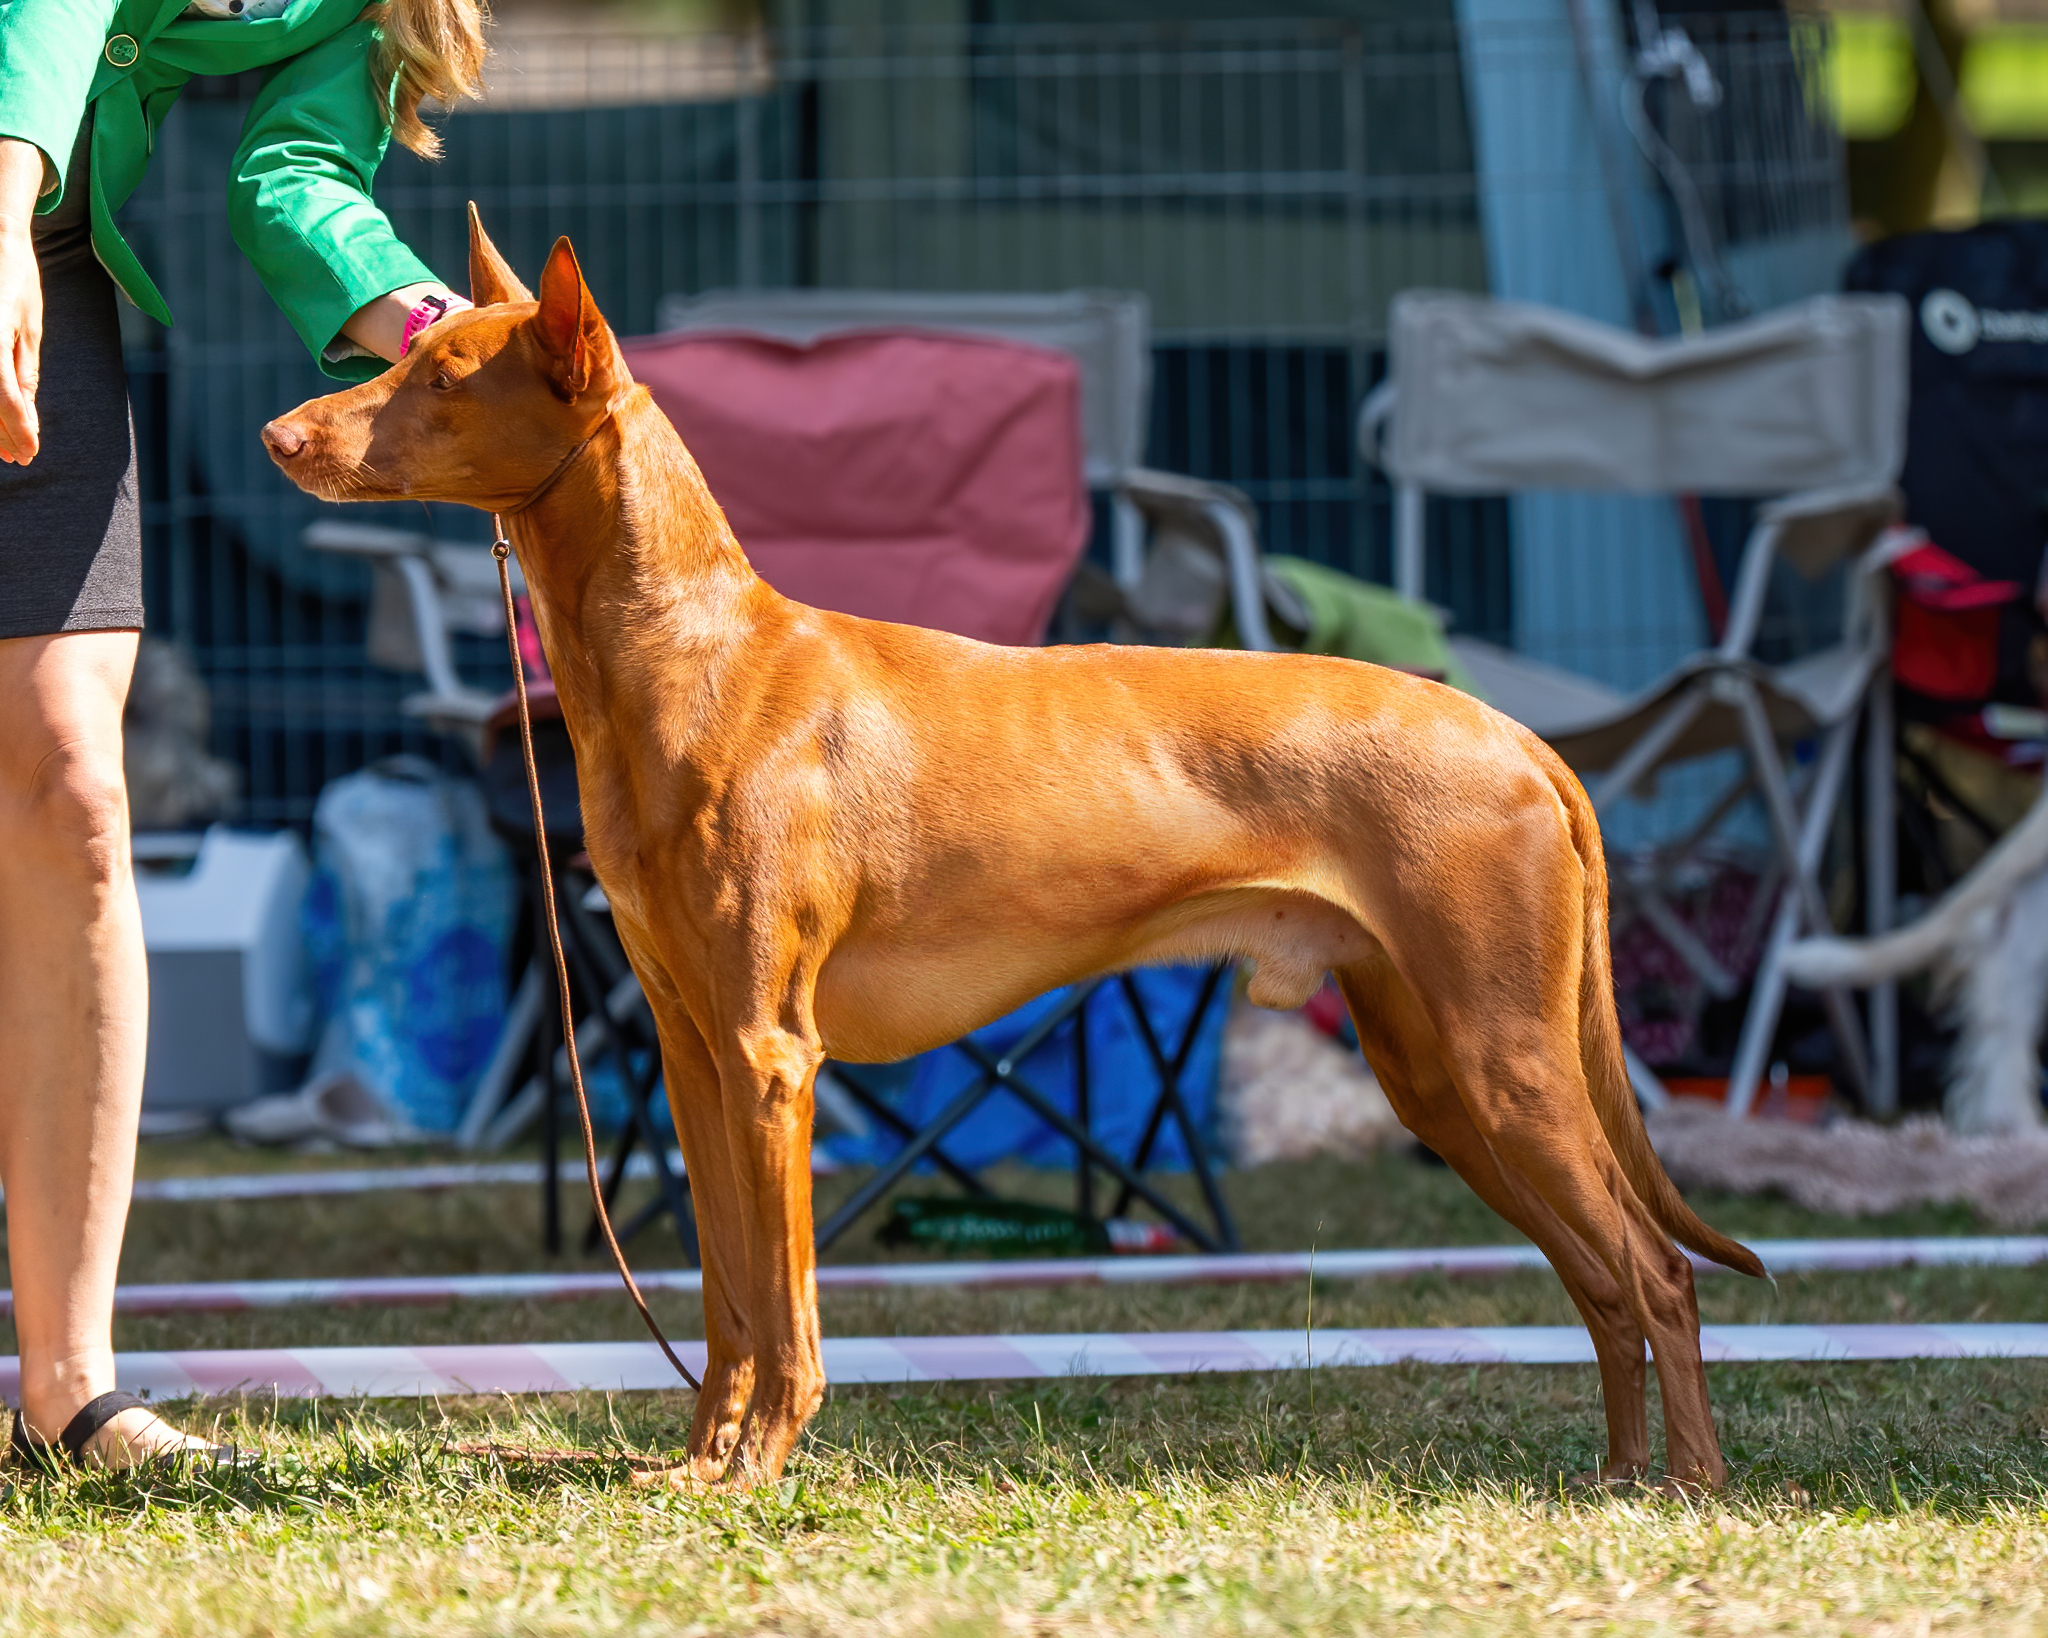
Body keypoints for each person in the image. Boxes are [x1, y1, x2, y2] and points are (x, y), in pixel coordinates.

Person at [0, 0, 487, 1469]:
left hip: (52, 260)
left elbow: (295, 177)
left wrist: (432, 336)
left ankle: (66, 1391)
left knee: (77, 786)